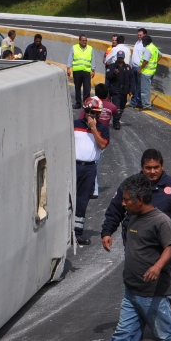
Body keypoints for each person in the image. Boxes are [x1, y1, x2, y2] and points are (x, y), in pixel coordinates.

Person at [80, 172, 171, 341]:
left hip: (153, 293)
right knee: (123, 334)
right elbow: (116, 216)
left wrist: (157, 267)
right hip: (132, 290)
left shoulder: (161, 221)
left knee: (165, 335)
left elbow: (170, 247)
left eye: (127, 200)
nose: (123, 202)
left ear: (139, 200)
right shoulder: (133, 216)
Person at [101, 149, 171, 259]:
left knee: (158, 273)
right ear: (142, 167)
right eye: (148, 168)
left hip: (161, 243)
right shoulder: (130, 185)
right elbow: (115, 210)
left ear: (162, 166)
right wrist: (107, 232)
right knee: (133, 273)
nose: (152, 171)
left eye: (156, 167)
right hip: (134, 241)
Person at [73, 100, 109, 245]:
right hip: (73, 165)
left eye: (93, 113)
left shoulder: (102, 129)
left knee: (82, 201)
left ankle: (77, 233)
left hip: (89, 169)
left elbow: (102, 145)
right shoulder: (75, 125)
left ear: (99, 114)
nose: (90, 115)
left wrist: (93, 129)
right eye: (88, 112)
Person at [105, 51, 134, 129]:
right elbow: (108, 77)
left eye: (121, 57)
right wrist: (114, 73)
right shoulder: (112, 67)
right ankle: (116, 121)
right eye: (119, 57)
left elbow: (131, 79)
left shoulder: (127, 67)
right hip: (115, 90)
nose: (120, 59)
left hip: (124, 91)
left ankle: (117, 119)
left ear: (124, 58)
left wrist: (131, 90)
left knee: (122, 107)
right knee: (116, 107)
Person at [69, 33, 95, 108]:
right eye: (83, 40)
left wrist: (93, 69)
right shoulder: (74, 47)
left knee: (87, 88)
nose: (84, 42)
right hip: (77, 71)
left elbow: (93, 59)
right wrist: (68, 68)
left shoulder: (90, 48)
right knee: (77, 87)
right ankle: (78, 103)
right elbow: (70, 57)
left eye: (86, 40)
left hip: (86, 71)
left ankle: (86, 103)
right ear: (79, 41)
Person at [137, 31, 160, 109]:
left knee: (144, 90)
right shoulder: (154, 47)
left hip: (146, 72)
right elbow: (160, 55)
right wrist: (155, 62)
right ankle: (146, 104)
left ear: (145, 42)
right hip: (152, 71)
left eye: (143, 42)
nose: (142, 44)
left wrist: (140, 69)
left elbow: (145, 61)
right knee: (147, 89)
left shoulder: (148, 49)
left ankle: (146, 105)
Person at [130, 28, 148, 108]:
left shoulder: (145, 45)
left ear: (145, 35)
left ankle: (137, 102)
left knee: (138, 86)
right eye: (138, 35)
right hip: (134, 66)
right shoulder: (137, 42)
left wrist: (141, 68)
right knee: (134, 86)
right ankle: (135, 101)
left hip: (139, 67)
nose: (139, 36)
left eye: (140, 35)